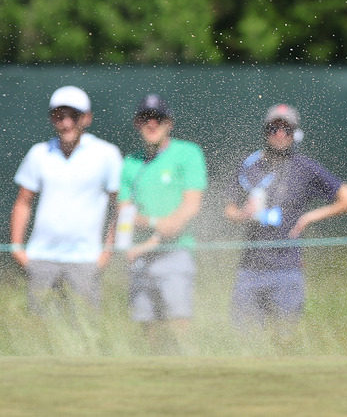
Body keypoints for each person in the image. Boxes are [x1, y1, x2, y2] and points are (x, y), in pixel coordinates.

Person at [224, 104, 347, 332]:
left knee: (284, 342)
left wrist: (310, 217)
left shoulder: (305, 168)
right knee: (244, 341)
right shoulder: (249, 165)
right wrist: (241, 215)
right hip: (249, 270)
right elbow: (229, 209)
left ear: (295, 133)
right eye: (273, 128)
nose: (279, 133)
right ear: (265, 131)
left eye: (286, 129)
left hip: (287, 271)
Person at [10, 85, 123, 315]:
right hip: (41, 258)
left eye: (74, 115)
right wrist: (17, 248)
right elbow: (23, 201)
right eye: (59, 116)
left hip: (86, 260)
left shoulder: (106, 154)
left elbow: (120, 206)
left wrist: (107, 252)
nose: (66, 123)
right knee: (42, 333)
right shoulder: (38, 153)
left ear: (87, 118)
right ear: (52, 118)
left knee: (85, 334)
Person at [118, 94, 207, 351]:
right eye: (145, 118)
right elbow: (126, 216)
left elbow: (190, 207)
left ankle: (190, 374)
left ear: (169, 123)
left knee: (180, 324)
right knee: (148, 328)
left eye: (157, 118)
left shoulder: (188, 153)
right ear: (137, 123)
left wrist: (150, 227)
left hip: (175, 255)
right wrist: (153, 227)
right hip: (139, 259)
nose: (151, 123)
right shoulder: (129, 163)